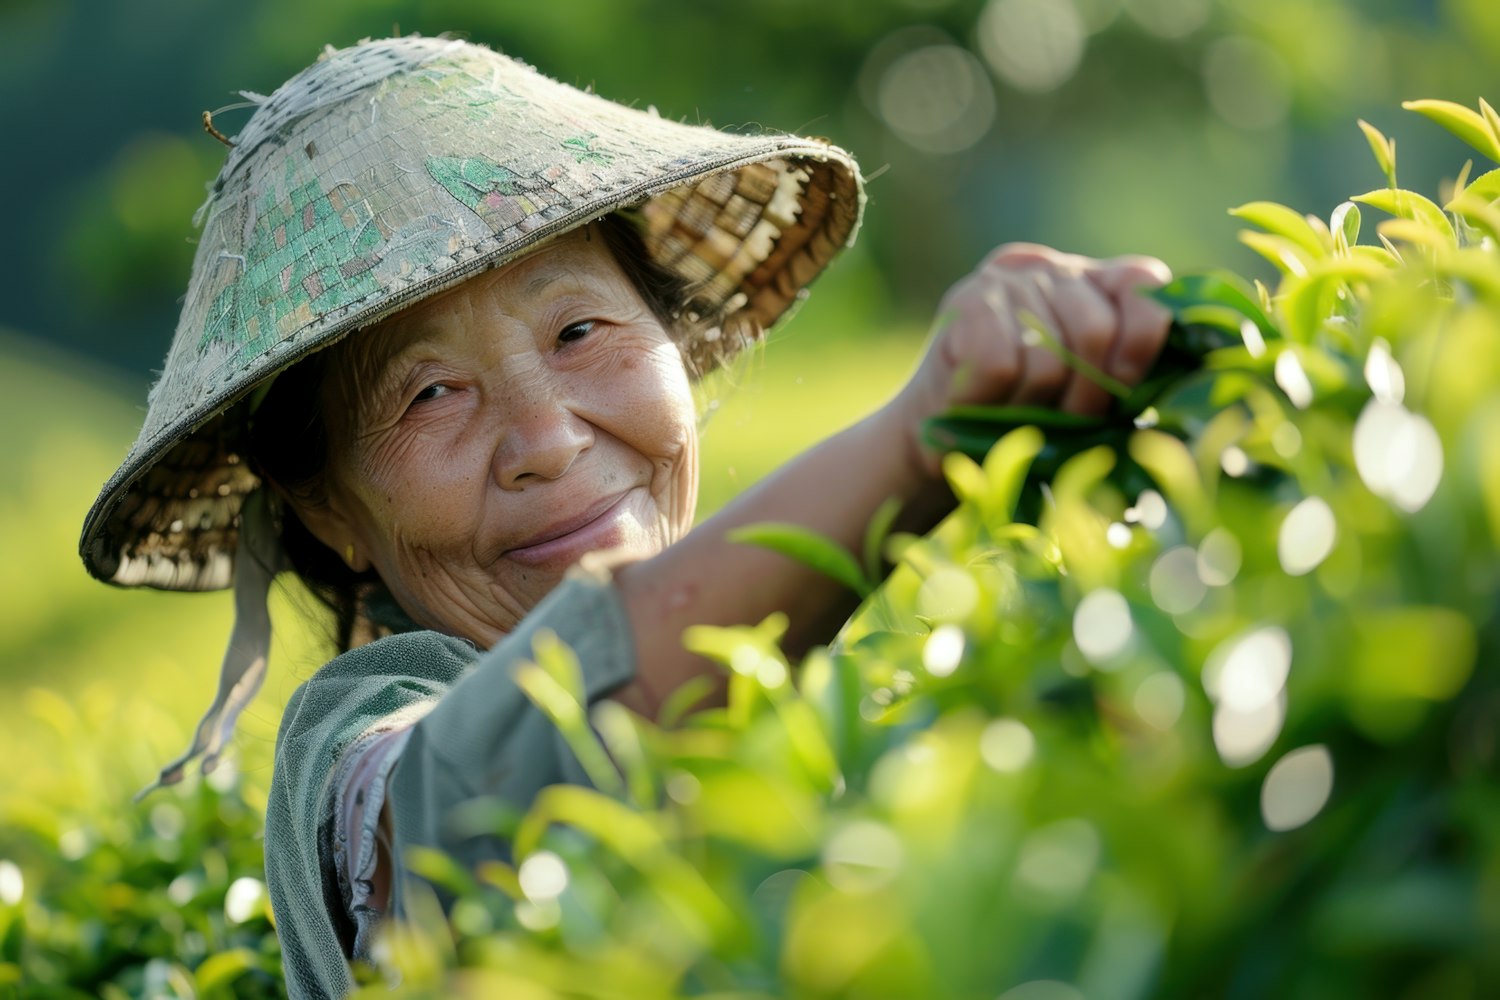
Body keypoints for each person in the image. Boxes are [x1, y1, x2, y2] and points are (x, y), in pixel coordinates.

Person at [79, 35, 1172, 999]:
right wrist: (918, 437)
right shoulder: (356, 737)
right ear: (331, 511)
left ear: (677, 344)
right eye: (429, 393)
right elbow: (477, 791)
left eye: (579, 332)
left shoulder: (786, 671)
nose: (547, 438)